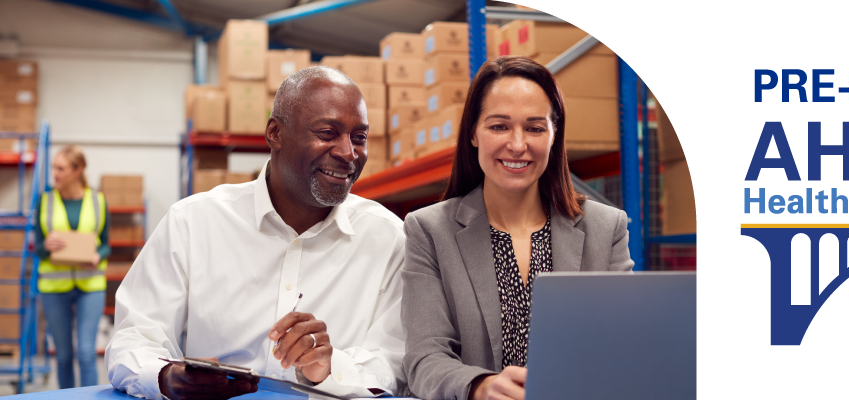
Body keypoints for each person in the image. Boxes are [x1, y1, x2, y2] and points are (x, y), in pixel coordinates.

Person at [106, 66, 407, 400]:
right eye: (327, 133)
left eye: (359, 138)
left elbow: (395, 361)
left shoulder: (389, 239)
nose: (348, 153)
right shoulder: (192, 223)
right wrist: (166, 377)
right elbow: (133, 339)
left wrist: (330, 367)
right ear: (275, 133)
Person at [400, 56, 635, 400]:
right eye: (499, 126)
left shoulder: (606, 227)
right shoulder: (430, 231)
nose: (518, 144)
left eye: (535, 128)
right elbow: (424, 358)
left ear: (554, 136)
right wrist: (481, 386)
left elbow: (625, 343)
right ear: (473, 134)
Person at [35, 145, 109, 389]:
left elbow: (106, 244)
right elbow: (39, 248)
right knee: (64, 356)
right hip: (54, 287)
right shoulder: (45, 201)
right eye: (54, 168)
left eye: (61, 168)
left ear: (78, 171)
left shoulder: (98, 201)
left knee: (87, 353)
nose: (54, 174)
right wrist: (46, 245)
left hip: (91, 284)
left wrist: (98, 255)